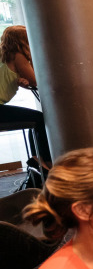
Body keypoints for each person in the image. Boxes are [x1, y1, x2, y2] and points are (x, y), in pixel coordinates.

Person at [0, 25, 52, 171]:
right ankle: (43, 161)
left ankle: (37, 158)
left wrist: (21, 81)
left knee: (33, 119)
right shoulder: (18, 56)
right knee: (40, 118)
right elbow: (36, 80)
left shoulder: (3, 56)